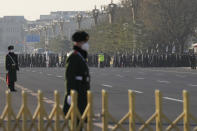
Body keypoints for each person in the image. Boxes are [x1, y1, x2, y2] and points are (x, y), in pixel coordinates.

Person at [63, 31, 90, 120]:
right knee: (75, 120)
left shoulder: (80, 56)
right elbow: (70, 77)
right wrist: (70, 93)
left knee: (80, 119)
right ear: (79, 42)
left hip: (81, 92)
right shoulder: (74, 56)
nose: (86, 44)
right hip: (76, 92)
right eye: (84, 42)